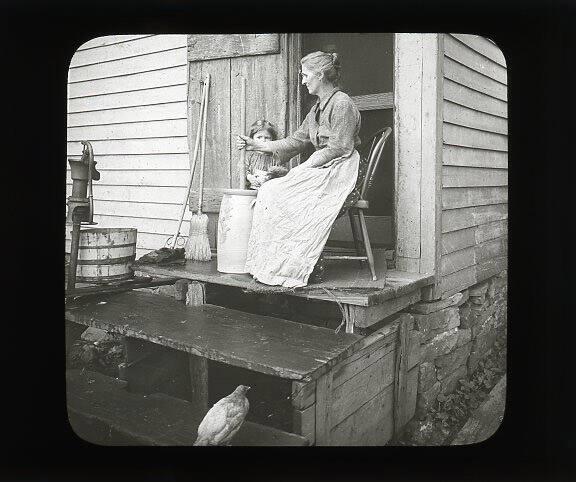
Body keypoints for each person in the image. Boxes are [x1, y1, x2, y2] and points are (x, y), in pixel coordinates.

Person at [237, 51, 361, 288]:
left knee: (278, 192)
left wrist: (303, 169)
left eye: (305, 75)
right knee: (272, 190)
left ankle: (298, 267)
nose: (303, 80)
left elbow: (339, 147)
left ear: (321, 75)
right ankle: (275, 268)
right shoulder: (317, 110)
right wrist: (257, 144)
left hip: (343, 170)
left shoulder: (341, 103)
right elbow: (296, 141)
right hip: (325, 168)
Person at [244, 120, 288, 190]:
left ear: (272, 139)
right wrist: (249, 177)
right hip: (251, 189)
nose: (263, 140)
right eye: (259, 137)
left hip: (270, 189)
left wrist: (272, 174)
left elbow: (281, 172)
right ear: (252, 138)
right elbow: (242, 168)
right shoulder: (249, 155)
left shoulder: (275, 156)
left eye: (267, 138)